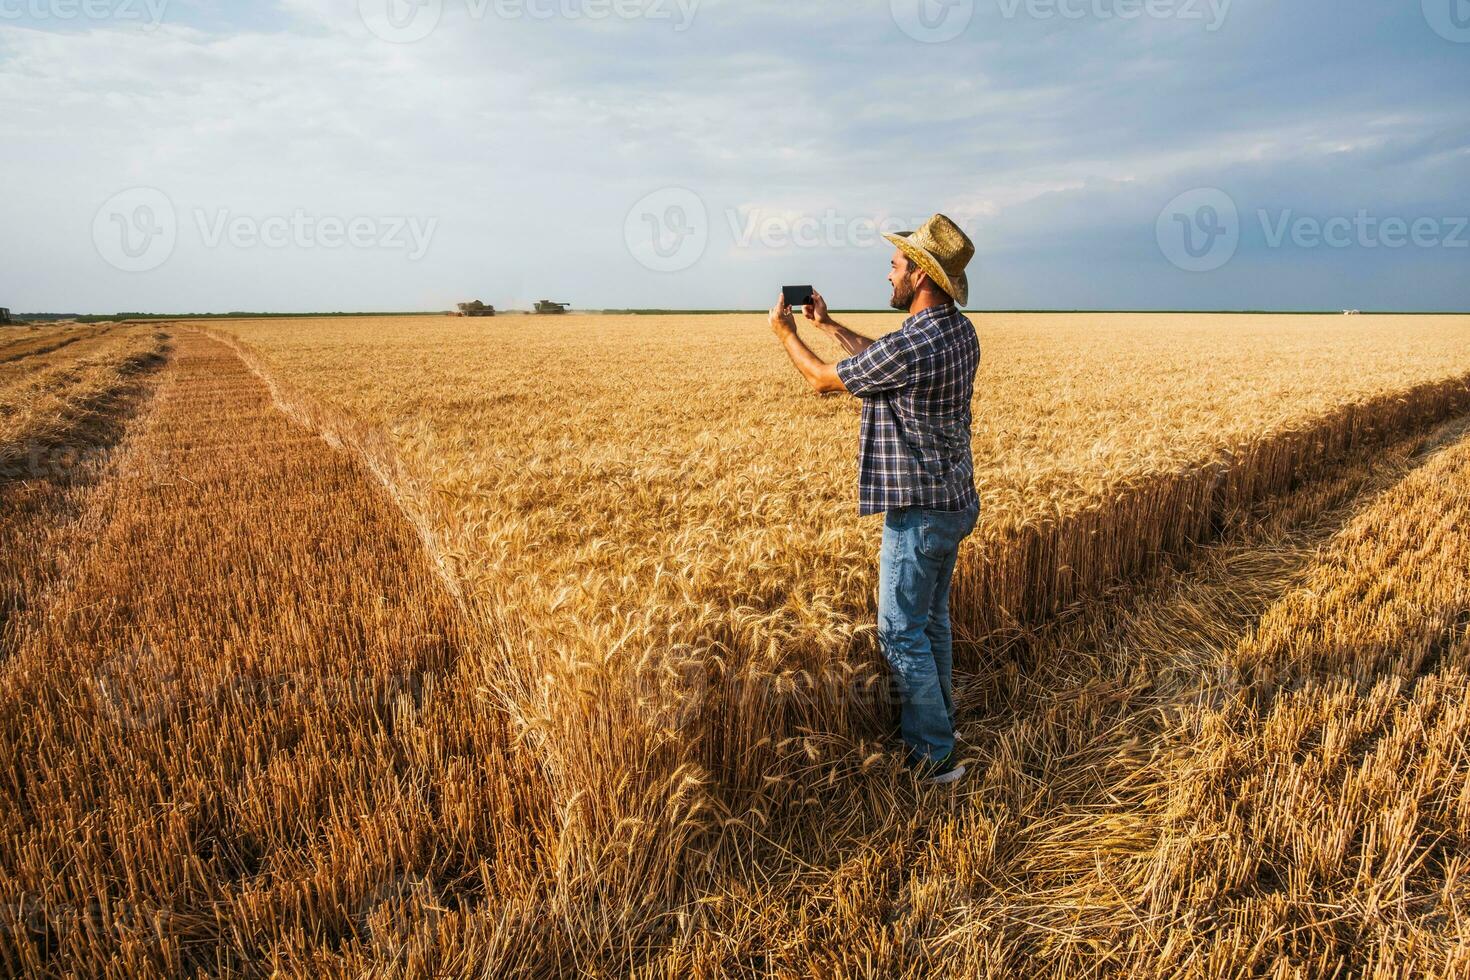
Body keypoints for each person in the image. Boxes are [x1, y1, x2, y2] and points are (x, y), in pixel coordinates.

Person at [768, 213, 981, 785]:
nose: (889, 273)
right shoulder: (957, 332)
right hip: (955, 500)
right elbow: (881, 362)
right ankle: (943, 726)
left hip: (918, 512)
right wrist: (830, 323)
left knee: (898, 630)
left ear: (921, 276)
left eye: (896, 265)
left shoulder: (913, 345)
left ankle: (934, 756)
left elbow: (822, 380)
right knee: (930, 619)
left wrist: (788, 335)